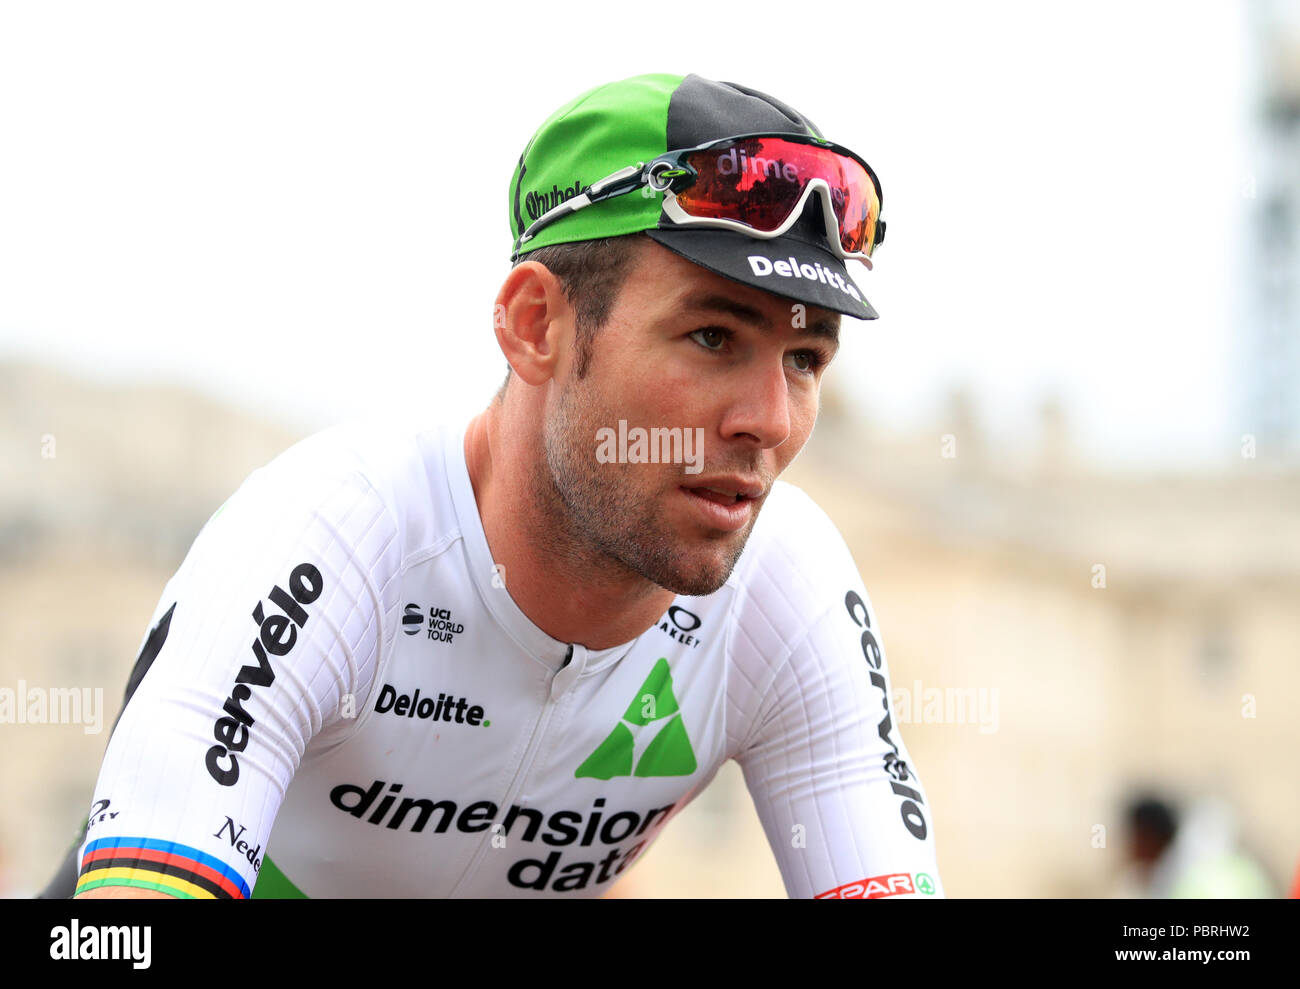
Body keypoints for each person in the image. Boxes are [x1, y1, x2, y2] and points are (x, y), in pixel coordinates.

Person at [44, 71, 943, 899]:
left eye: (804, 357)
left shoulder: (790, 588)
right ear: (534, 325)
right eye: (713, 337)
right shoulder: (335, 533)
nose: (771, 421)